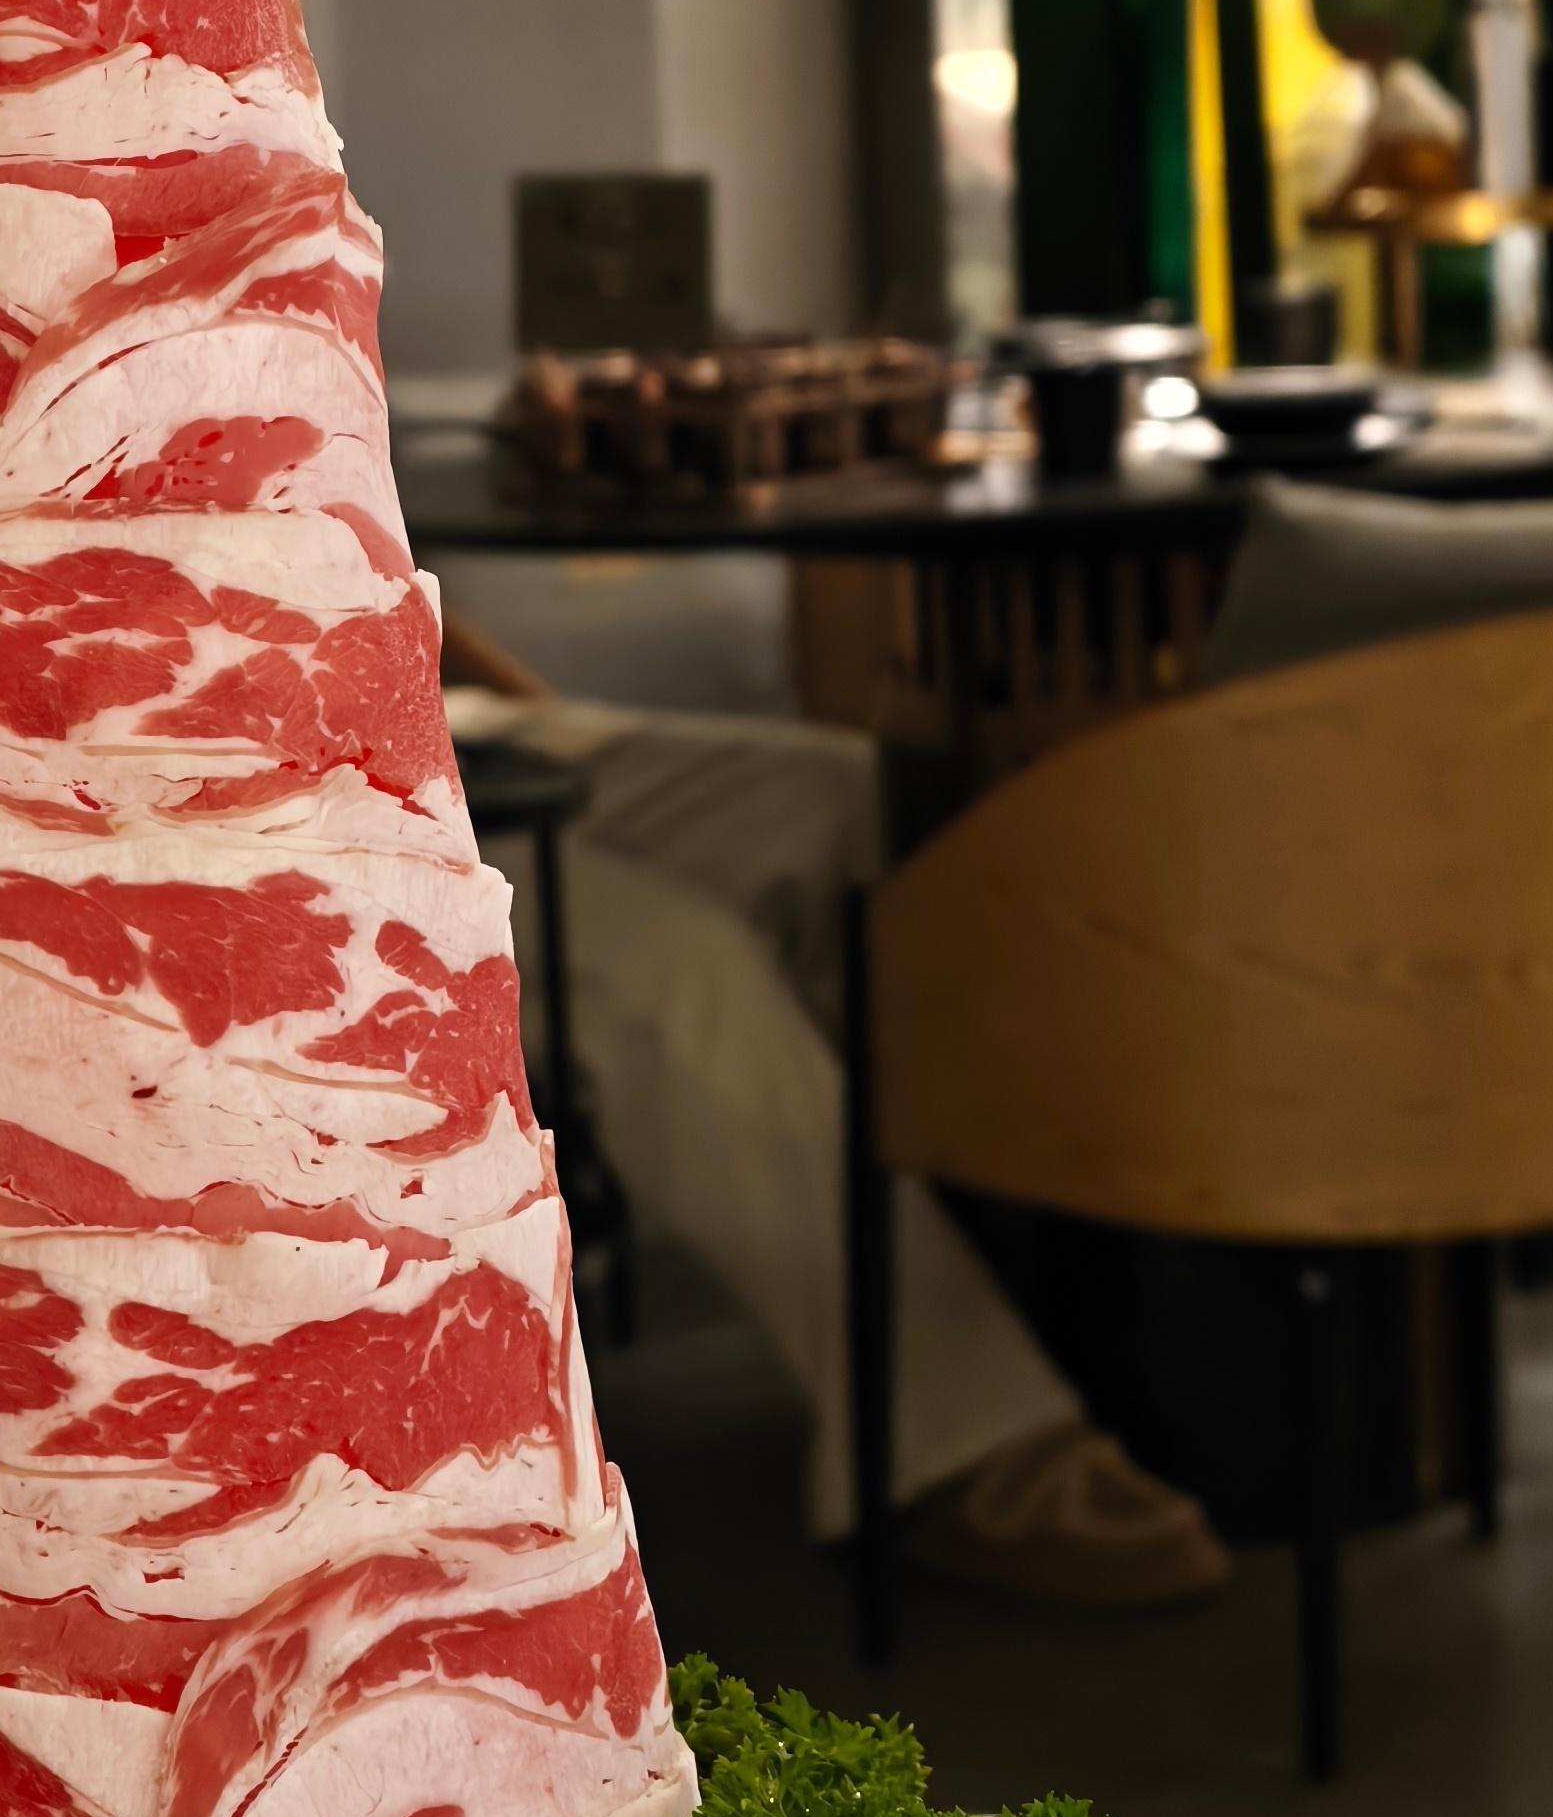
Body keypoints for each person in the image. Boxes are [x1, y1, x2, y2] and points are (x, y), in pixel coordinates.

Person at [450, 678, 1232, 1608]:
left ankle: (988, 1288)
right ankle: (948, 1426)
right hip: (303, 803)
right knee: (682, 966)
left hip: (433, 707)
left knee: (854, 799)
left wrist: (511, 692)